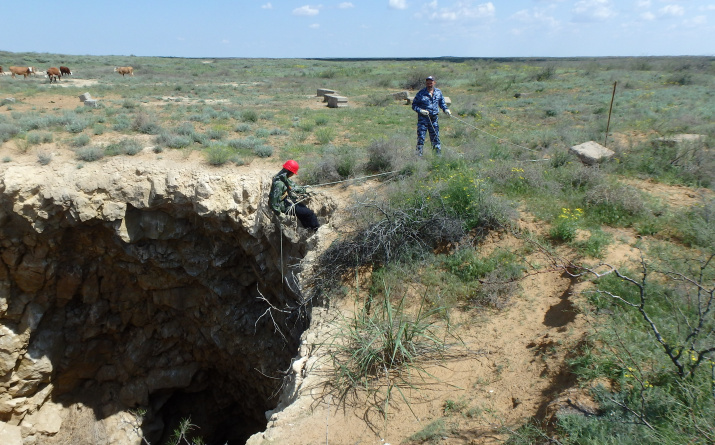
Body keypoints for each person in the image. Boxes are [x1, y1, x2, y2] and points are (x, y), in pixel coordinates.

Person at [269, 160, 320, 231]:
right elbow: (273, 202)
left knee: (303, 210)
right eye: (292, 173)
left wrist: (305, 190)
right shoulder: (279, 184)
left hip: (286, 201)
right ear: (289, 172)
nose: (292, 175)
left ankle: (307, 228)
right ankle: (316, 229)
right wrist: (279, 214)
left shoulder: (283, 177)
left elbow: (293, 186)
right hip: (283, 206)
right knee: (310, 214)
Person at [412, 75, 451, 156]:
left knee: (435, 138)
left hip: (434, 119)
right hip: (423, 120)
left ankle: (437, 156)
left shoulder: (438, 92)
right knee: (421, 138)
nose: (429, 85)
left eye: (431, 83)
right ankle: (418, 156)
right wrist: (421, 110)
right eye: (428, 83)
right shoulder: (421, 93)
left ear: (434, 83)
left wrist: (446, 110)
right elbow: (414, 105)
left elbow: (442, 103)